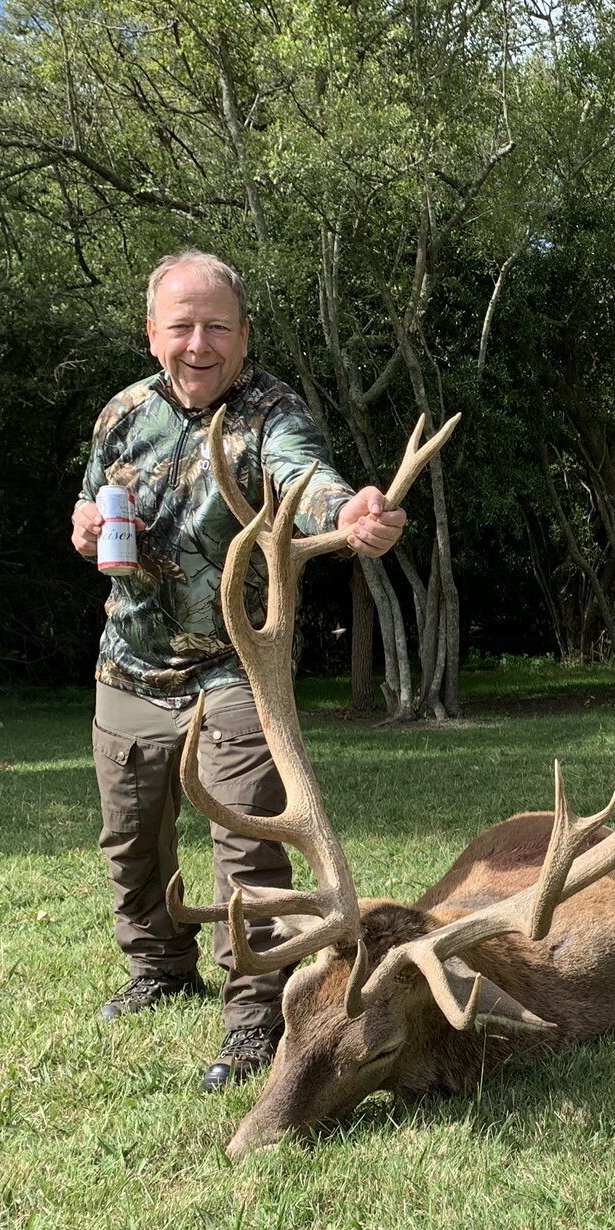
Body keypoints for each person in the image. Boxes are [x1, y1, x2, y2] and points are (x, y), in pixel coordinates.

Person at [71, 250, 406, 1090]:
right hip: (131, 668)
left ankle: (256, 1018)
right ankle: (157, 966)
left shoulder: (271, 412)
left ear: (243, 333)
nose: (199, 343)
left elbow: (307, 481)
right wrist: (83, 527)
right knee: (129, 841)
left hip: (236, 673)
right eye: (181, 326)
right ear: (153, 334)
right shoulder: (122, 413)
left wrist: (352, 511)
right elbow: (91, 504)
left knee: (249, 847)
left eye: (217, 325)